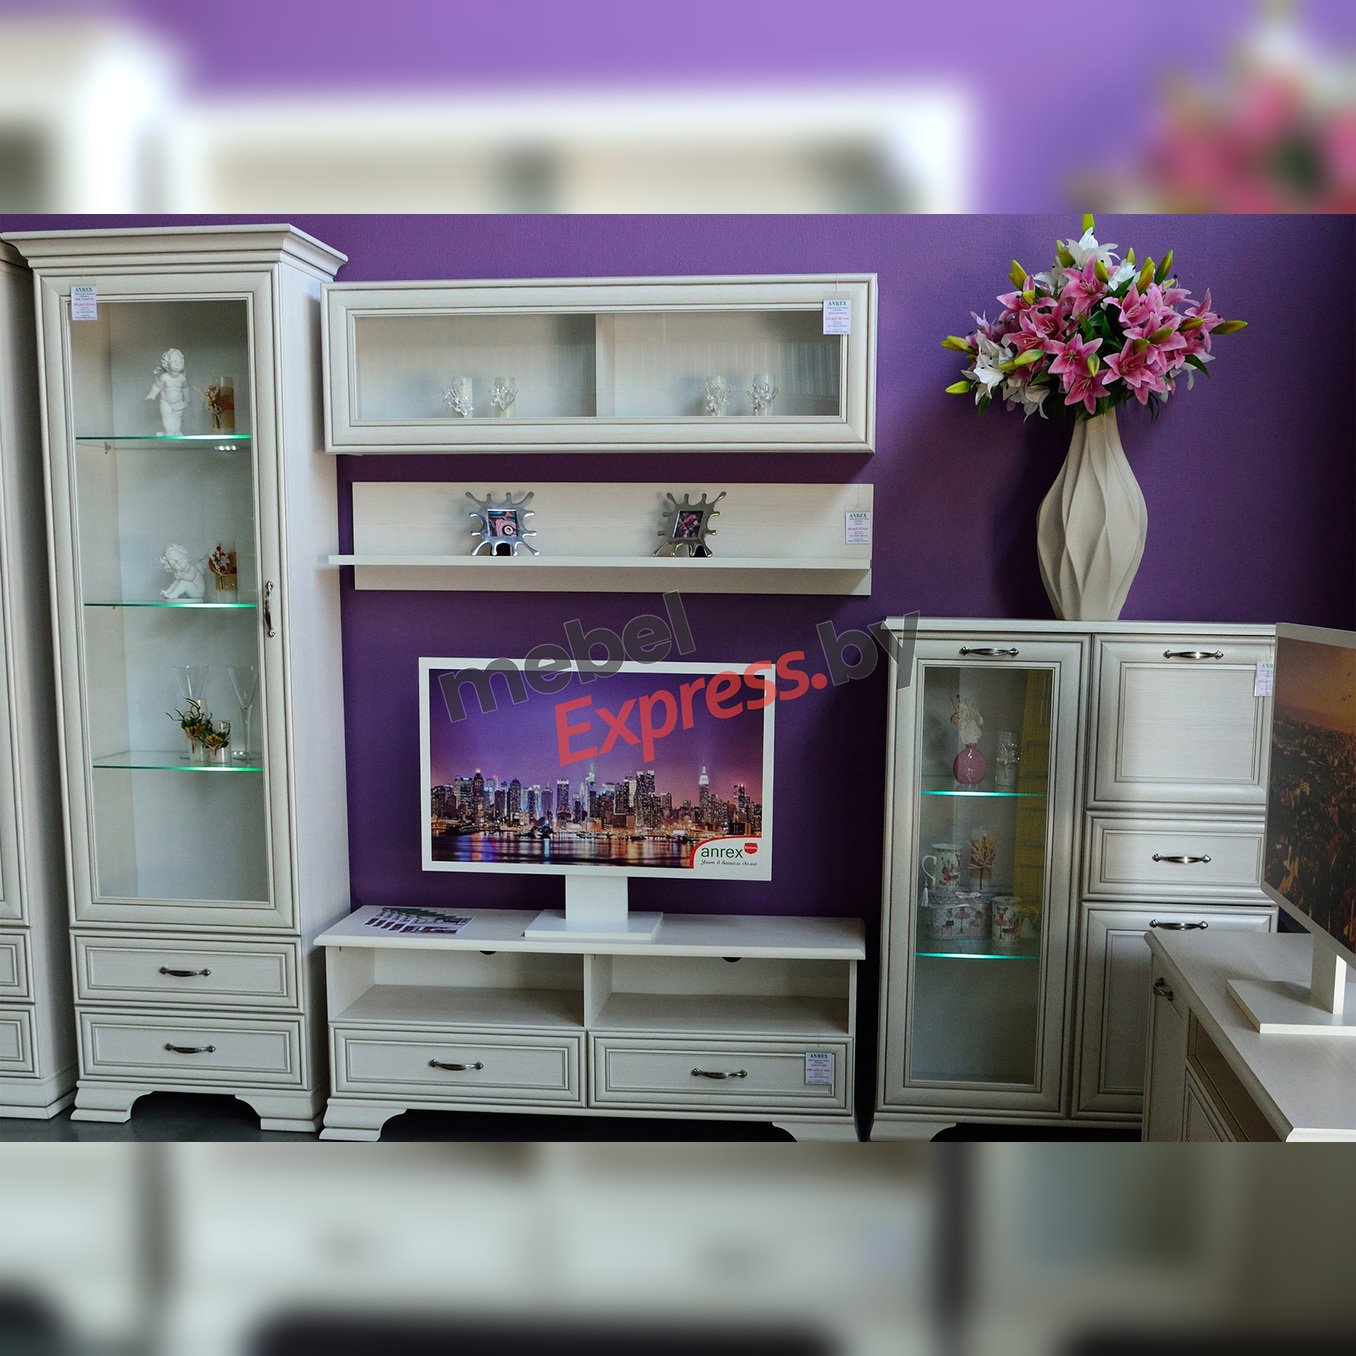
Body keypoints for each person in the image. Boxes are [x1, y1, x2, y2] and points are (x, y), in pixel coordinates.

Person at [146, 348, 190, 435]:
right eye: (174, 361)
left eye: (179, 361)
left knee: (177, 417)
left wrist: (187, 399)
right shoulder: (164, 377)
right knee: (167, 417)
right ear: (166, 364)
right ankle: (169, 431)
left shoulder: (182, 378)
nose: (177, 364)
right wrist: (152, 394)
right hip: (165, 403)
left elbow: (185, 388)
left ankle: (177, 430)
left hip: (178, 403)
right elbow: (157, 386)